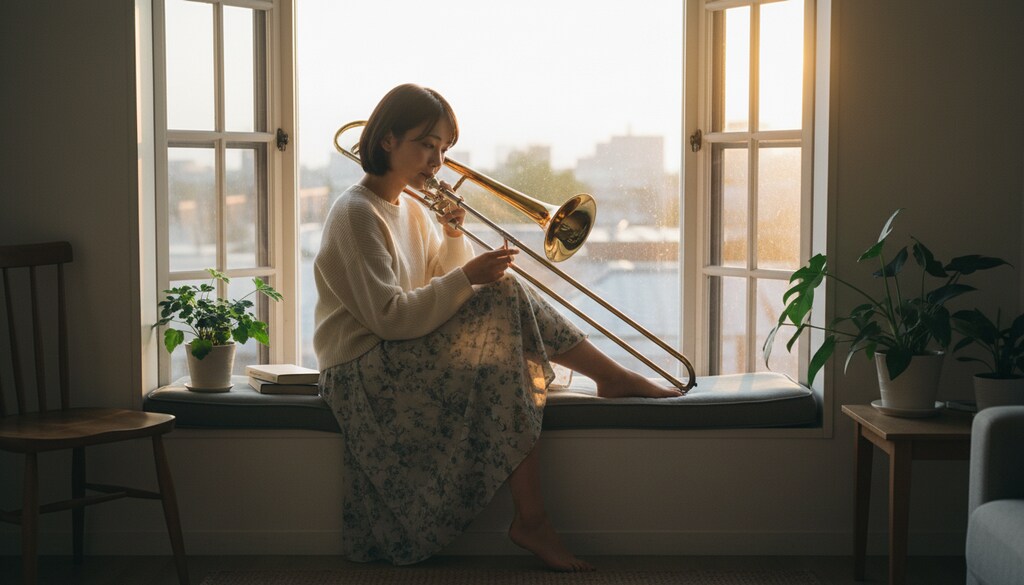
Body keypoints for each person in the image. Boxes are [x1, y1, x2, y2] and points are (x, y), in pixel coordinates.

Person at [313, 83, 681, 572]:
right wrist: (470, 275)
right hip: (362, 371)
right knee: (504, 294)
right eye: (427, 144)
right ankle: (608, 383)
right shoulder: (356, 212)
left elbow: (438, 289)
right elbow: (394, 318)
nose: (437, 160)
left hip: (399, 353)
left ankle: (534, 515)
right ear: (387, 141)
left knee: (506, 329)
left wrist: (450, 234)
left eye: (444, 149)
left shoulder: (411, 209)